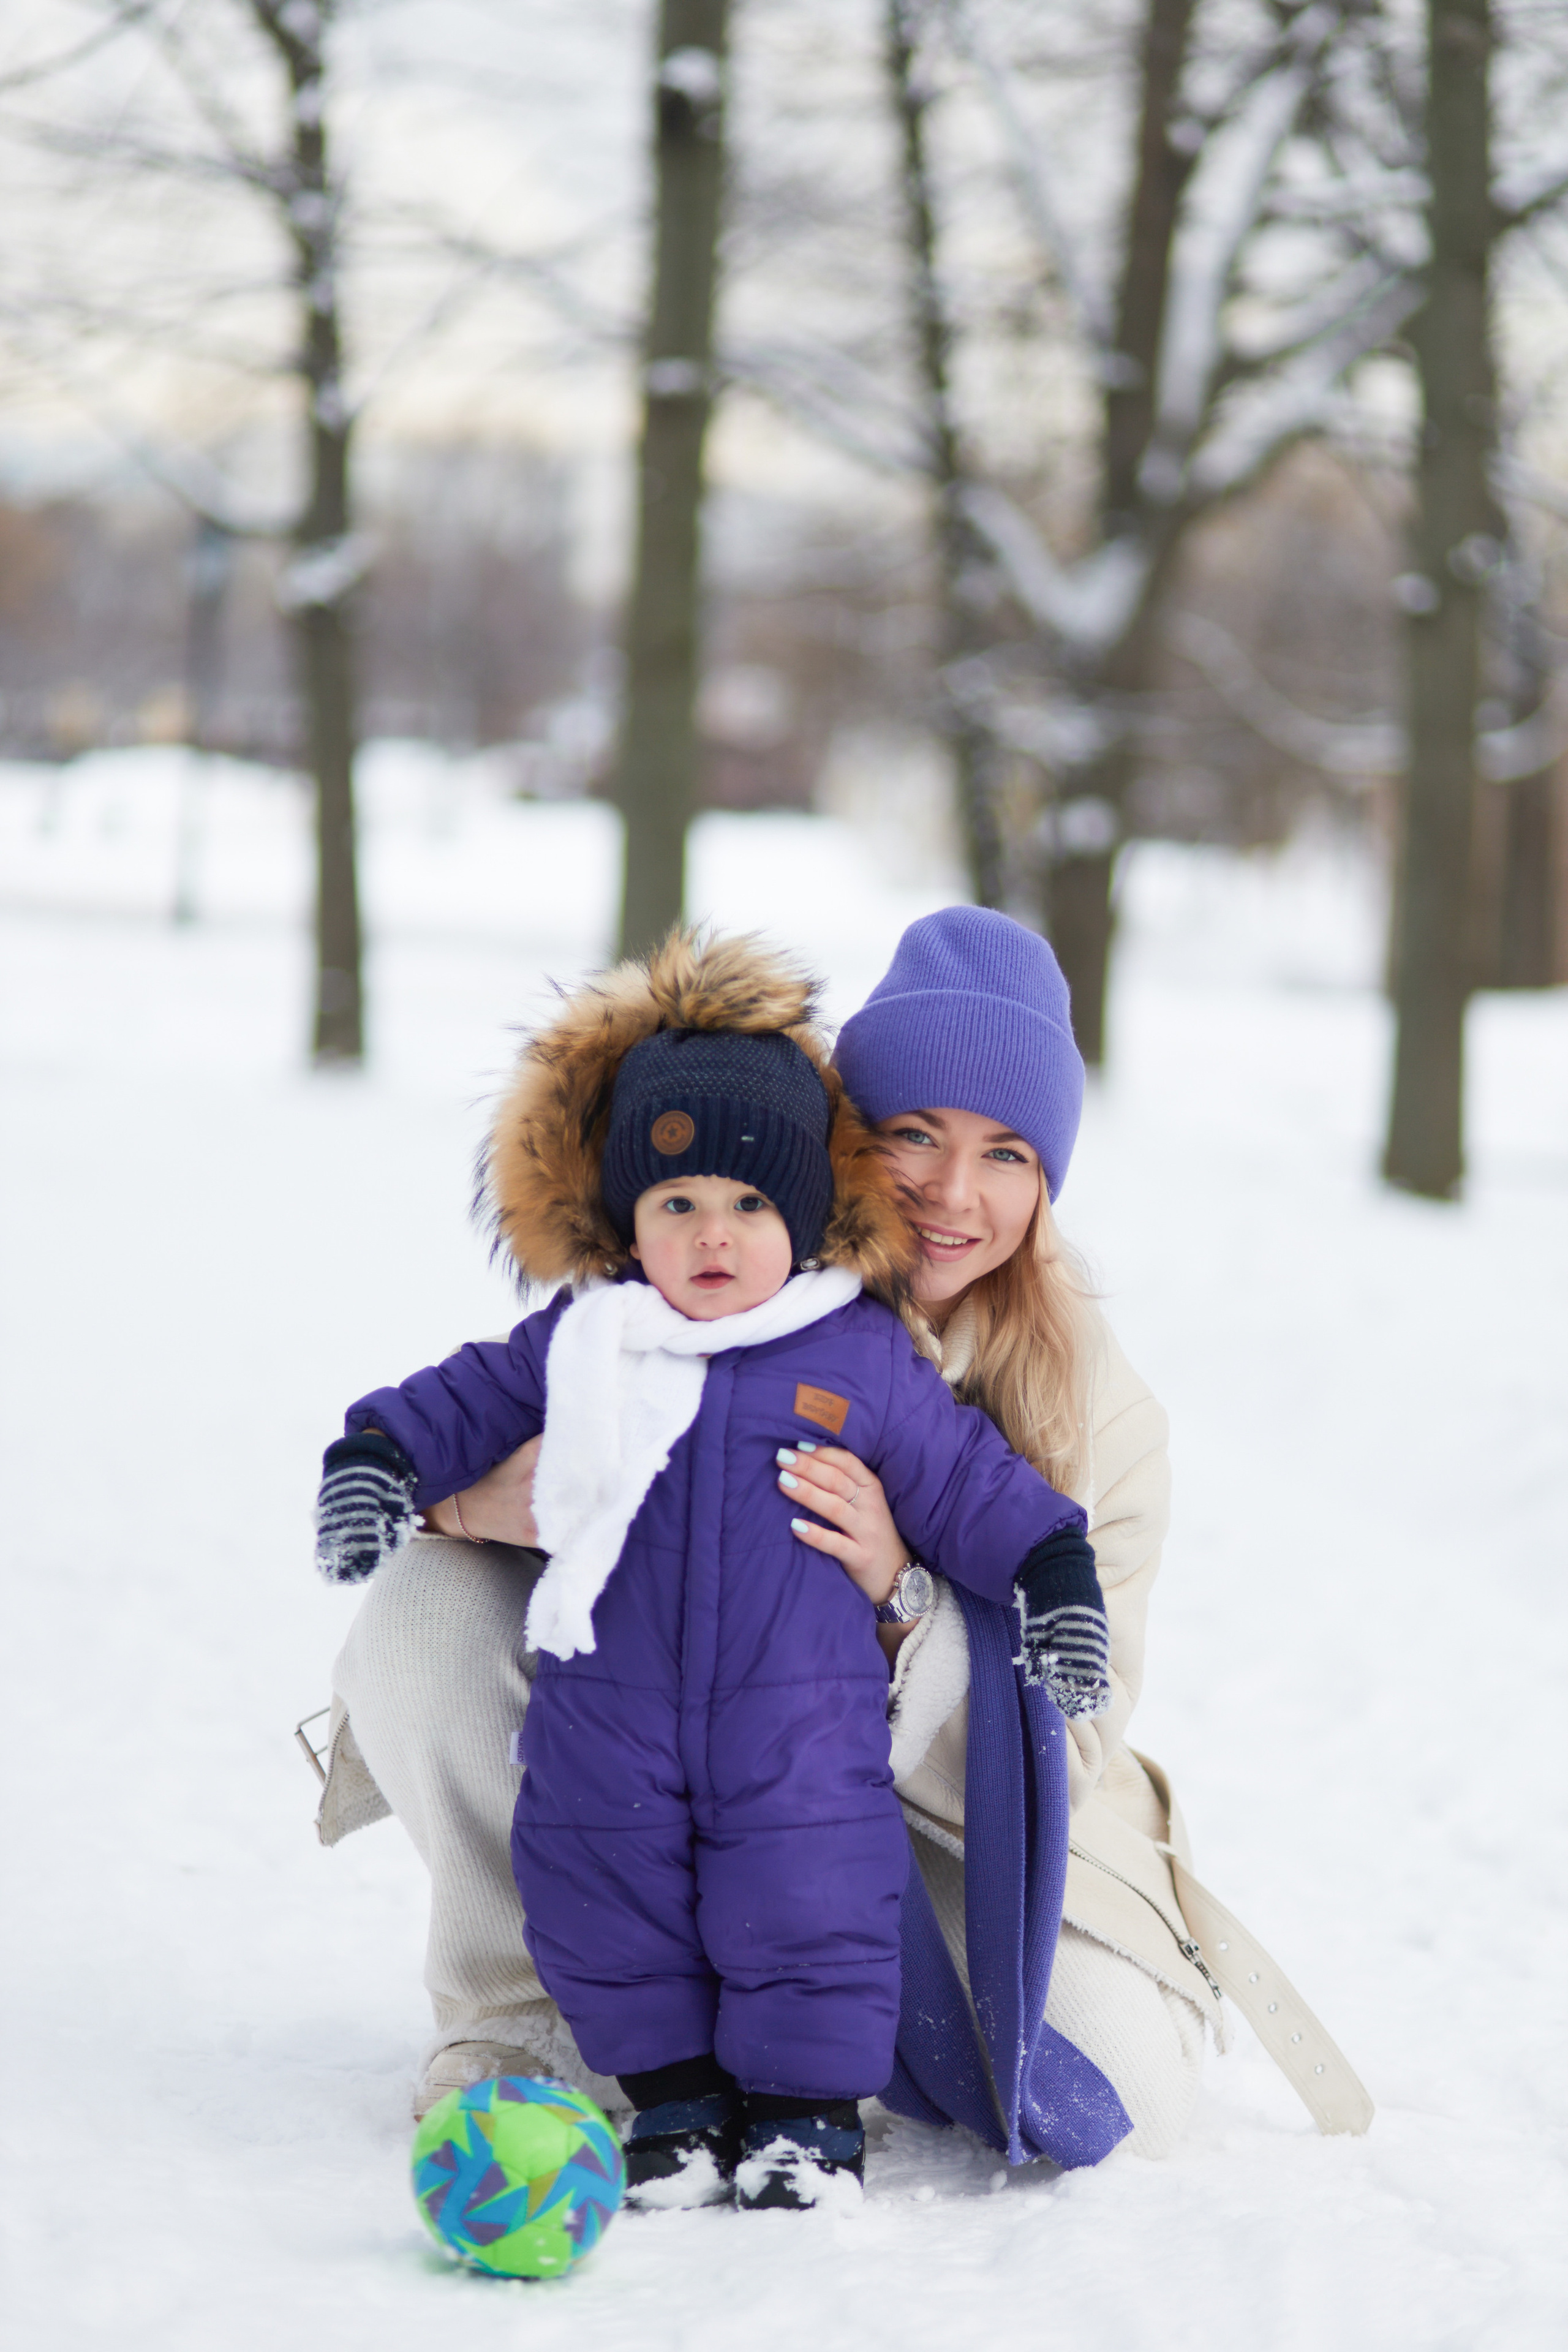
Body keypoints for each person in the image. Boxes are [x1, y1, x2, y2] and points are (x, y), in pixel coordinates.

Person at [320, 907, 1213, 2170]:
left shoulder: (1094, 1410)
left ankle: (805, 2040)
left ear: (1047, 1179)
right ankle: (520, 2018)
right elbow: (478, 1402)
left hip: (950, 1815)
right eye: (912, 1134)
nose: (953, 1194)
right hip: (657, 1753)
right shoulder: (690, 1282)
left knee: (1126, 2095)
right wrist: (467, 1499)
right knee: (427, 1601)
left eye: (1005, 1153)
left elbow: (1070, 1728)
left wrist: (900, 1591)